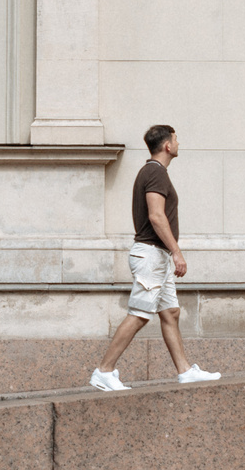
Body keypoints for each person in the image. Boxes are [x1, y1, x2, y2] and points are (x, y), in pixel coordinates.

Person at [89, 124, 219, 391]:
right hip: (151, 255)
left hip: (155, 256)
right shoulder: (156, 173)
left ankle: (184, 371)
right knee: (139, 313)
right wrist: (177, 252)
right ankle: (104, 370)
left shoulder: (153, 172)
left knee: (170, 312)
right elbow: (156, 216)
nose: (179, 143)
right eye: (176, 139)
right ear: (167, 146)